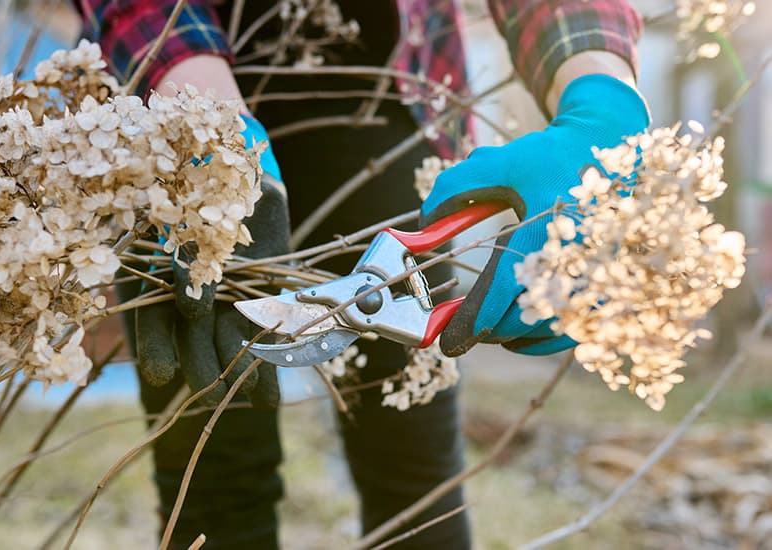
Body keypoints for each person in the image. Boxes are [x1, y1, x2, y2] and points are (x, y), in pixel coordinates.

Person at [72, 0, 650, 547]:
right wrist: (205, 120)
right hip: (177, 113)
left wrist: (601, 105)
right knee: (213, 474)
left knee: (412, 475)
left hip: (383, 89)